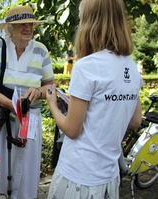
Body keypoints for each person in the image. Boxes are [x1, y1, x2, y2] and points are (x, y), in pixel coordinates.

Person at [46, 0, 143, 198]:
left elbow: (72, 130)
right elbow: (135, 121)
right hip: (109, 177)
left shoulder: (87, 66)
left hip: (78, 176)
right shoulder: (131, 67)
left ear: (90, 21)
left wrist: (53, 105)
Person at [0, 5, 55, 199]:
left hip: (28, 122)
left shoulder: (41, 51)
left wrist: (38, 91)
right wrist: (11, 105)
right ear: (10, 28)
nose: (28, 27)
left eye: (30, 24)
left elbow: (50, 88)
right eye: (21, 24)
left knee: (25, 172)